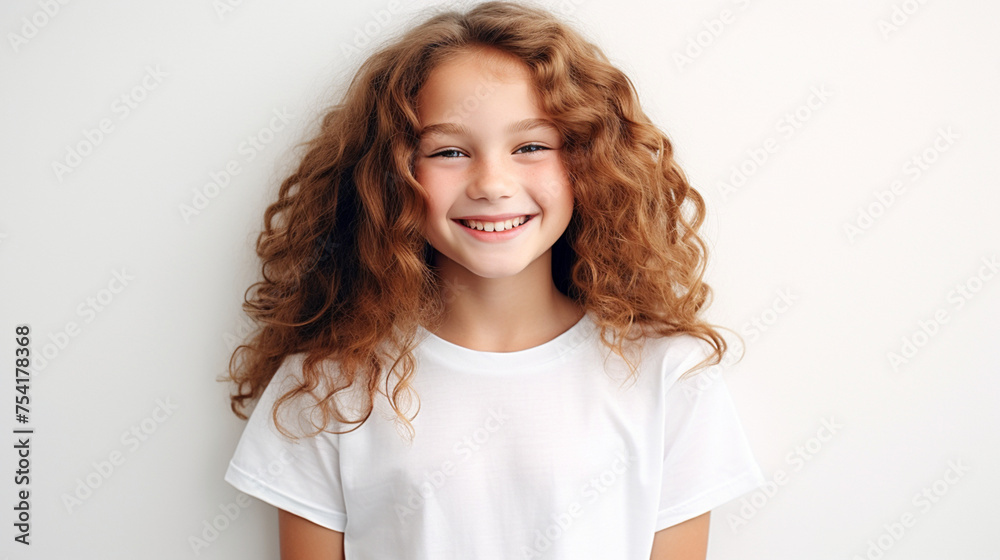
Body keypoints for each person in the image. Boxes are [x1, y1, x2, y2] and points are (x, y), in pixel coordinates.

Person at [223, 1, 765, 558]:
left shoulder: (669, 377)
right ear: (389, 178)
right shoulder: (325, 385)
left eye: (530, 146)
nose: (492, 183)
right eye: (449, 151)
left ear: (589, 161)